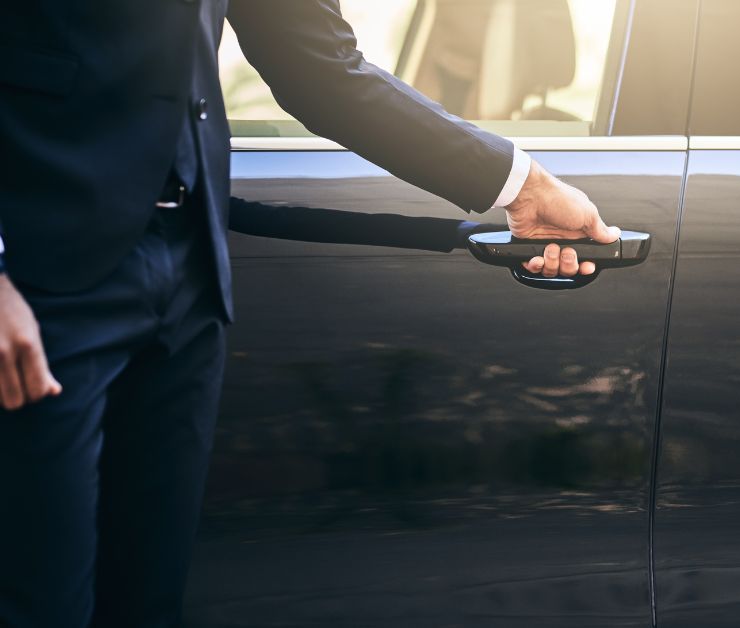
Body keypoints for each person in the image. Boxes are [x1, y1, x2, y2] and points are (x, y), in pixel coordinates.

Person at [0, 1, 615, 626]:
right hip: (34, 273)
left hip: (187, 282)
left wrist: (526, 185)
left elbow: (317, 64)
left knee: (144, 607)